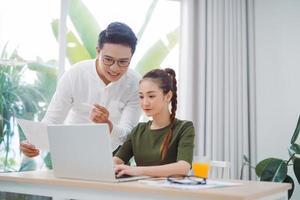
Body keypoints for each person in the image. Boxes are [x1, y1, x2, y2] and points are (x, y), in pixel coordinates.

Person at [21, 22, 141, 157]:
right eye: (108, 60)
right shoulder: (75, 74)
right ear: (98, 51)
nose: (115, 68)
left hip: (113, 155)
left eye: (123, 62)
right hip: (71, 150)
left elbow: (128, 134)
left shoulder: (135, 83)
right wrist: (33, 143)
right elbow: (52, 120)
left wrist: (108, 125)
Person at [113, 68, 195, 177]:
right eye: (141, 97)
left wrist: (137, 170)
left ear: (168, 96)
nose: (145, 103)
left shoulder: (184, 128)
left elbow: (183, 167)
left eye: (151, 96)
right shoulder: (138, 130)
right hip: (140, 190)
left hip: (171, 191)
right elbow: (117, 160)